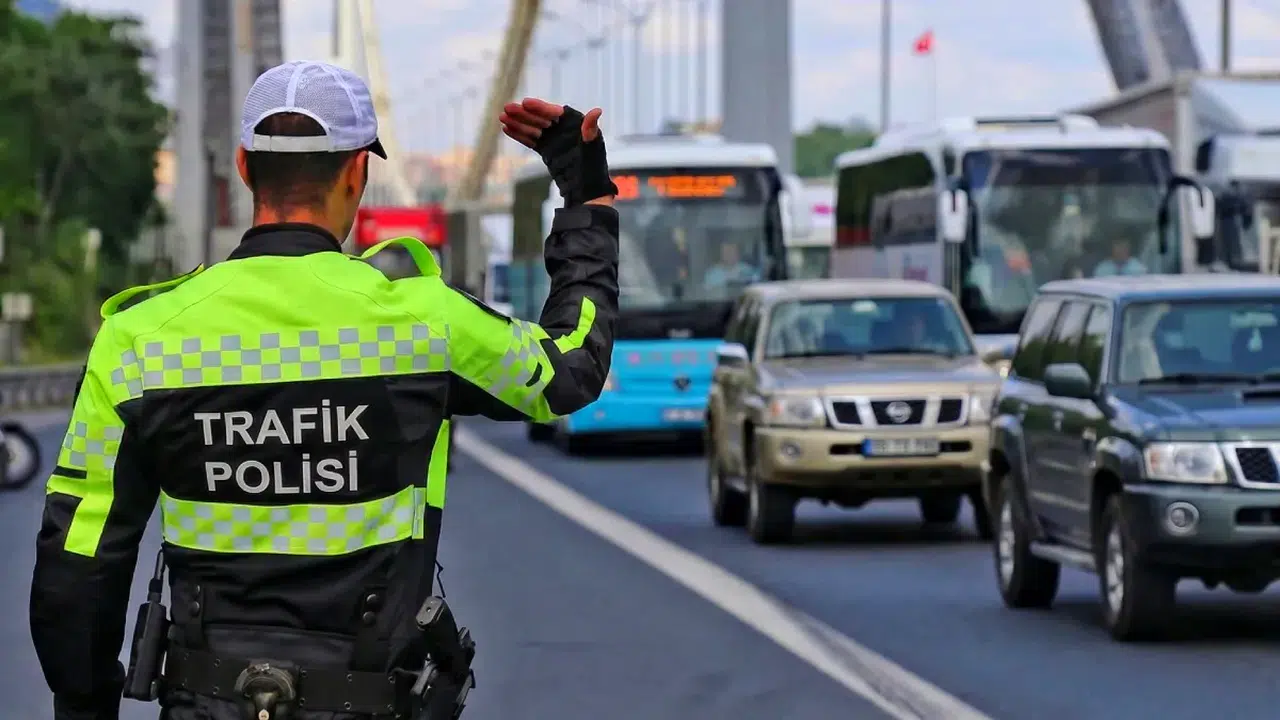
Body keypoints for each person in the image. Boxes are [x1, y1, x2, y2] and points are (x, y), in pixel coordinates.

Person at [29, 60, 620, 720]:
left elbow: (79, 557)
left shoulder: (139, 340)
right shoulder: (425, 324)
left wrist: (83, 704)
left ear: (245, 168)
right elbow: (571, 369)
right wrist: (585, 198)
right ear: (357, 173)